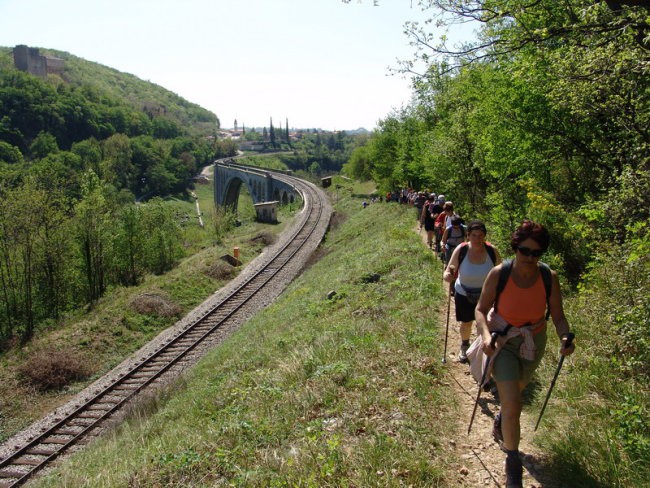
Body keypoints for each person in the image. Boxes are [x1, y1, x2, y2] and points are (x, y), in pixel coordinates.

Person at [474, 220, 575, 488]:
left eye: (536, 253)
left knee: (516, 393)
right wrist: (485, 336)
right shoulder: (499, 273)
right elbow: (481, 310)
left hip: (534, 341)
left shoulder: (548, 277)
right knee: (514, 405)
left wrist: (564, 337)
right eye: (524, 251)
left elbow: (558, 317)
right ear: (515, 247)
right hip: (503, 340)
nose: (530, 257)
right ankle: (512, 460)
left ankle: (501, 420)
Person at [443, 221, 501, 363]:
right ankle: (465, 345)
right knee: (467, 322)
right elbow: (448, 270)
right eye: (474, 235)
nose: (477, 239)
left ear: (484, 236)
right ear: (468, 235)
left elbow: (501, 271)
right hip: (463, 292)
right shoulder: (461, 250)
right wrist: (448, 276)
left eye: (480, 235)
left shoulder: (491, 251)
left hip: (486, 294)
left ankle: (482, 349)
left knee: (486, 323)